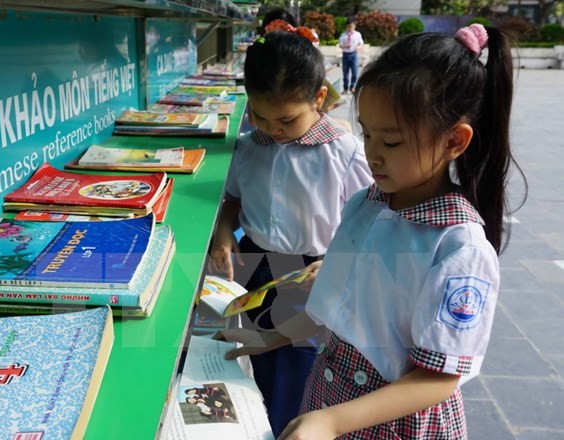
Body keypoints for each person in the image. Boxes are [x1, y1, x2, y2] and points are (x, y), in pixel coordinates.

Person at [219, 24, 526, 439]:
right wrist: (269, 337)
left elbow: (438, 377)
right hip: (331, 395)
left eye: (393, 142)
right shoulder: (366, 204)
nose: (372, 153)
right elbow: (339, 305)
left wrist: (331, 420)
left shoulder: (457, 245)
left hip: (390, 423)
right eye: (366, 133)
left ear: (454, 141)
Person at [208, 27, 373, 437]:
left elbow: (368, 222)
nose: (274, 129)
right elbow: (232, 200)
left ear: (319, 98)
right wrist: (224, 232)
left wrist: (337, 265)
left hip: (311, 276)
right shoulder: (250, 146)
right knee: (253, 360)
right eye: (260, 116)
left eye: (286, 119)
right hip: (253, 266)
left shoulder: (343, 152)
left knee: (300, 374)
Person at [338, 20, 364, 93]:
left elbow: (361, 44)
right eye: (348, 26)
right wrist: (345, 46)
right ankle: (345, 88)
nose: (350, 28)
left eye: (351, 26)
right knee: (345, 73)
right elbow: (340, 45)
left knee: (355, 72)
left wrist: (358, 47)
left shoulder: (358, 34)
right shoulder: (343, 35)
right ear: (346, 26)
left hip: (354, 54)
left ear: (354, 26)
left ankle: (352, 87)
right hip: (346, 55)